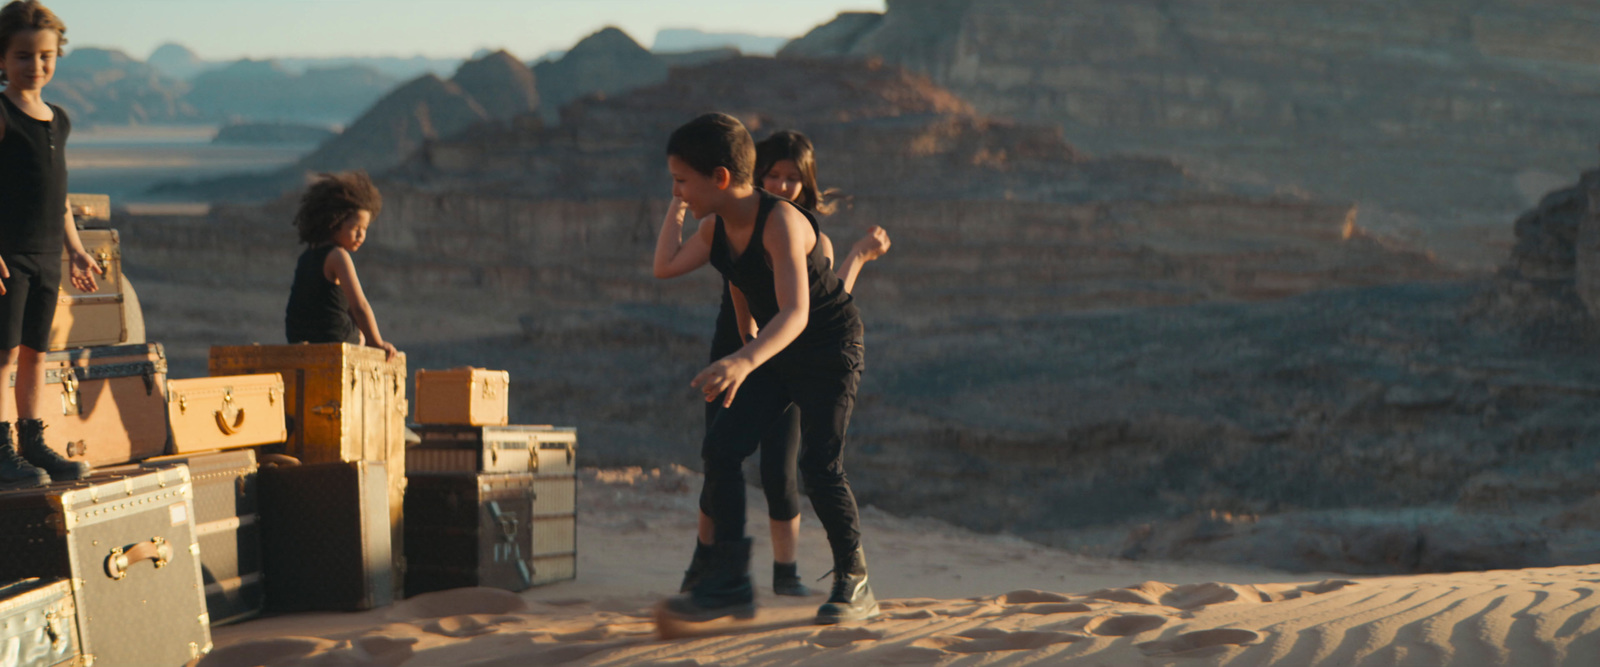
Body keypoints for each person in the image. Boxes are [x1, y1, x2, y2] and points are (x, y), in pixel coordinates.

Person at [653, 113, 878, 624]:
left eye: (682, 180)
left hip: (828, 348)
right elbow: (682, 269)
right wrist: (746, 339)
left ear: (721, 178)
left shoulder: (780, 222)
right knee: (722, 447)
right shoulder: (718, 228)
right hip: (776, 348)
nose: (677, 189)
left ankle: (855, 579)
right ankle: (730, 583)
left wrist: (741, 360)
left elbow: (797, 312)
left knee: (818, 466)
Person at [0, 0, 101, 490]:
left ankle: (31, 440)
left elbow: (57, 195)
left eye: (45, 56)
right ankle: (0, 447)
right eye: (22, 56)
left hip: (45, 257)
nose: (35, 66)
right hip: (7, 256)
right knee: (3, 356)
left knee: (36, 353)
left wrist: (76, 249)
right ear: (1, 59)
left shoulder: (58, 119)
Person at [284, 171, 397, 361]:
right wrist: (376, 342)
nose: (361, 236)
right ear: (334, 222)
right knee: (360, 336)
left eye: (365, 230)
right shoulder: (338, 256)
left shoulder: (306, 256)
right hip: (329, 337)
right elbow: (359, 306)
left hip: (297, 337)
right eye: (355, 229)